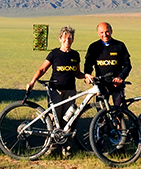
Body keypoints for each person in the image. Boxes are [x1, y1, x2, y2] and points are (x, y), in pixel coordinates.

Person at [26, 26, 92, 154]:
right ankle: (51, 148)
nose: (68, 41)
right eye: (66, 38)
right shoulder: (54, 54)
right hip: (55, 91)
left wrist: (86, 76)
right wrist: (32, 81)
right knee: (53, 120)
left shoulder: (75, 55)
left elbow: (77, 73)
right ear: (60, 39)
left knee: (68, 120)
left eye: (70, 38)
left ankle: (66, 149)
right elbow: (42, 69)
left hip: (70, 92)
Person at [84, 22, 131, 107]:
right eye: (101, 32)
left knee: (119, 111)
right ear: (98, 33)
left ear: (111, 31)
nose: (105, 35)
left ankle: (118, 120)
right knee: (101, 114)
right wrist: (88, 75)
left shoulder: (119, 45)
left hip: (116, 84)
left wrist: (121, 77)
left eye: (107, 31)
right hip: (101, 84)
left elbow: (128, 65)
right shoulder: (93, 47)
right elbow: (88, 65)